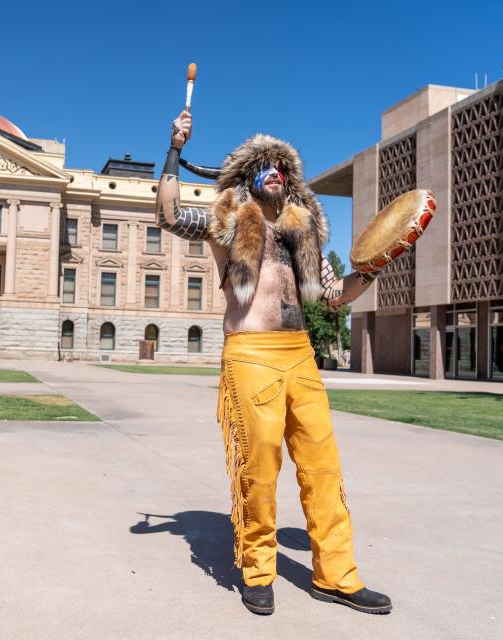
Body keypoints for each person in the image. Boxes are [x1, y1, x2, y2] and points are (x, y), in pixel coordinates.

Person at [156, 110, 392, 616]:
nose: (274, 172)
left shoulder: (299, 237)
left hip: (300, 357)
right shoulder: (228, 225)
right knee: (258, 471)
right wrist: (174, 149)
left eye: (281, 167)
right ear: (248, 177)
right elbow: (170, 216)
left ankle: (338, 575)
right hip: (251, 354)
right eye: (264, 165)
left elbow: (332, 296)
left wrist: (370, 271)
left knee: (323, 469)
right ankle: (257, 569)